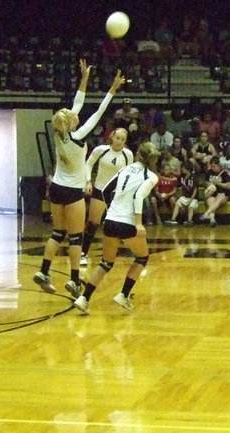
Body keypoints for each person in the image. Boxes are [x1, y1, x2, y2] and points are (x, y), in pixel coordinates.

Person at [33, 60, 123, 297]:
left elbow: (78, 103)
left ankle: (43, 271)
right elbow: (98, 112)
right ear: (72, 122)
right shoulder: (80, 135)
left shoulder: (60, 134)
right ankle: (73, 280)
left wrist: (84, 78)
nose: (77, 116)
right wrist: (112, 90)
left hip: (56, 188)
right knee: (76, 236)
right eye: (74, 116)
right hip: (72, 191)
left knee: (56, 233)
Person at [72, 142, 161, 313]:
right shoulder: (150, 176)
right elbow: (138, 196)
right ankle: (123, 295)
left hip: (110, 221)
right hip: (127, 222)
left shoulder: (124, 169)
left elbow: (105, 191)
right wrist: (139, 223)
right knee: (142, 257)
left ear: (137, 154)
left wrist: (112, 210)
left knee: (106, 263)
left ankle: (84, 299)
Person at [81, 127, 133, 266]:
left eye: (122, 139)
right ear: (112, 137)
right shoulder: (101, 150)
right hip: (99, 189)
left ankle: (117, 254)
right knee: (93, 223)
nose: (119, 141)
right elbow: (88, 163)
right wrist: (88, 181)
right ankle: (83, 253)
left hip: (116, 194)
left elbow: (129, 173)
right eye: (117, 138)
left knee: (120, 224)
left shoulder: (128, 154)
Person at [198, 157, 230, 227]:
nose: (212, 168)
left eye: (214, 166)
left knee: (218, 200)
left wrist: (218, 184)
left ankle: (206, 214)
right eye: (211, 166)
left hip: (222, 194)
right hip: (212, 194)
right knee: (210, 201)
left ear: (218, 165)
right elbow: (205, 182)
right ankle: (212, 220)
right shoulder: (209, 172)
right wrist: (209, 184)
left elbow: (228, 186)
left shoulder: (224, 173)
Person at [164, 161, 199, 226]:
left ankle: (189, 221)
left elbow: (195, 190)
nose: (182, 169)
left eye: (183, 168)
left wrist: (191, 199)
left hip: (193, 198)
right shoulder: (182, 177)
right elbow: (175, 182)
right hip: (185, 197)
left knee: (191, 207)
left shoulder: (194, 177)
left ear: (187, 168)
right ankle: (173, 220)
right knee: (177, 203)